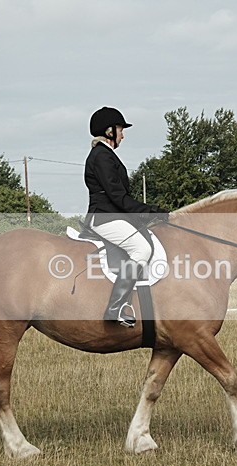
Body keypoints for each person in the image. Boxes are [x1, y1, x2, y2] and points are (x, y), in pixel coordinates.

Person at [84, 106, 168, 327]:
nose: (123, 134)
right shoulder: (102, 156)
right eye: (120, 129)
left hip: (112, 215)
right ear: (110, 131)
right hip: (105, 217)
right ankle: (115, 308)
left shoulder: (105, 155)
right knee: (142, 249)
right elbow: (118, 196)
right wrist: (148, 211)